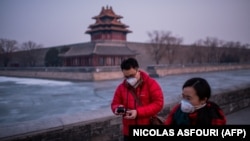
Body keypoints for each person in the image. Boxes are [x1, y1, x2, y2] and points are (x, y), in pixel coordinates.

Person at [110, 57, 164, 141]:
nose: (129, 79)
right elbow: (114, 104)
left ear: (137, 70)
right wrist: (117, 108)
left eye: (132, 75)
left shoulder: (151, 84)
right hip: (128, 132)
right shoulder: (121, 88)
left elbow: (158, 104)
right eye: (126, 77)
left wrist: (138, 112)